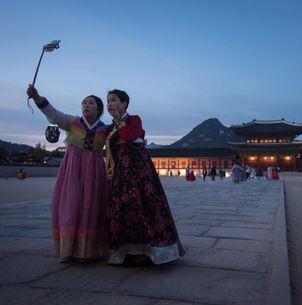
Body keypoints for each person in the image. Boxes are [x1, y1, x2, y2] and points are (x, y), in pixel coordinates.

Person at [26, 85, 108, 262]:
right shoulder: (72, 122)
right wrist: (37, 96)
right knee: (70, 203)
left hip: (94, 169)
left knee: (90, 206)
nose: (86, 105)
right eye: (84, 103)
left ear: (99, 109)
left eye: (91, 102)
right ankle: (67, 250)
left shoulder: (105, 130)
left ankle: (87, 251)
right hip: (72, 167)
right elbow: (53, 113)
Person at [105, 89, 184, 265]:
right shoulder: (110, 128)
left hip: (138, 171)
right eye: (108, 101)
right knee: (122, 207)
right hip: (121, 173)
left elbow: (128, 137)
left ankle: (151, 250)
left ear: (124, 103)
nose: (110, 104)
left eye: (114, 100)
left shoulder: (134, 120)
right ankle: (127, 251)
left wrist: (119, 119)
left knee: (144, 205)